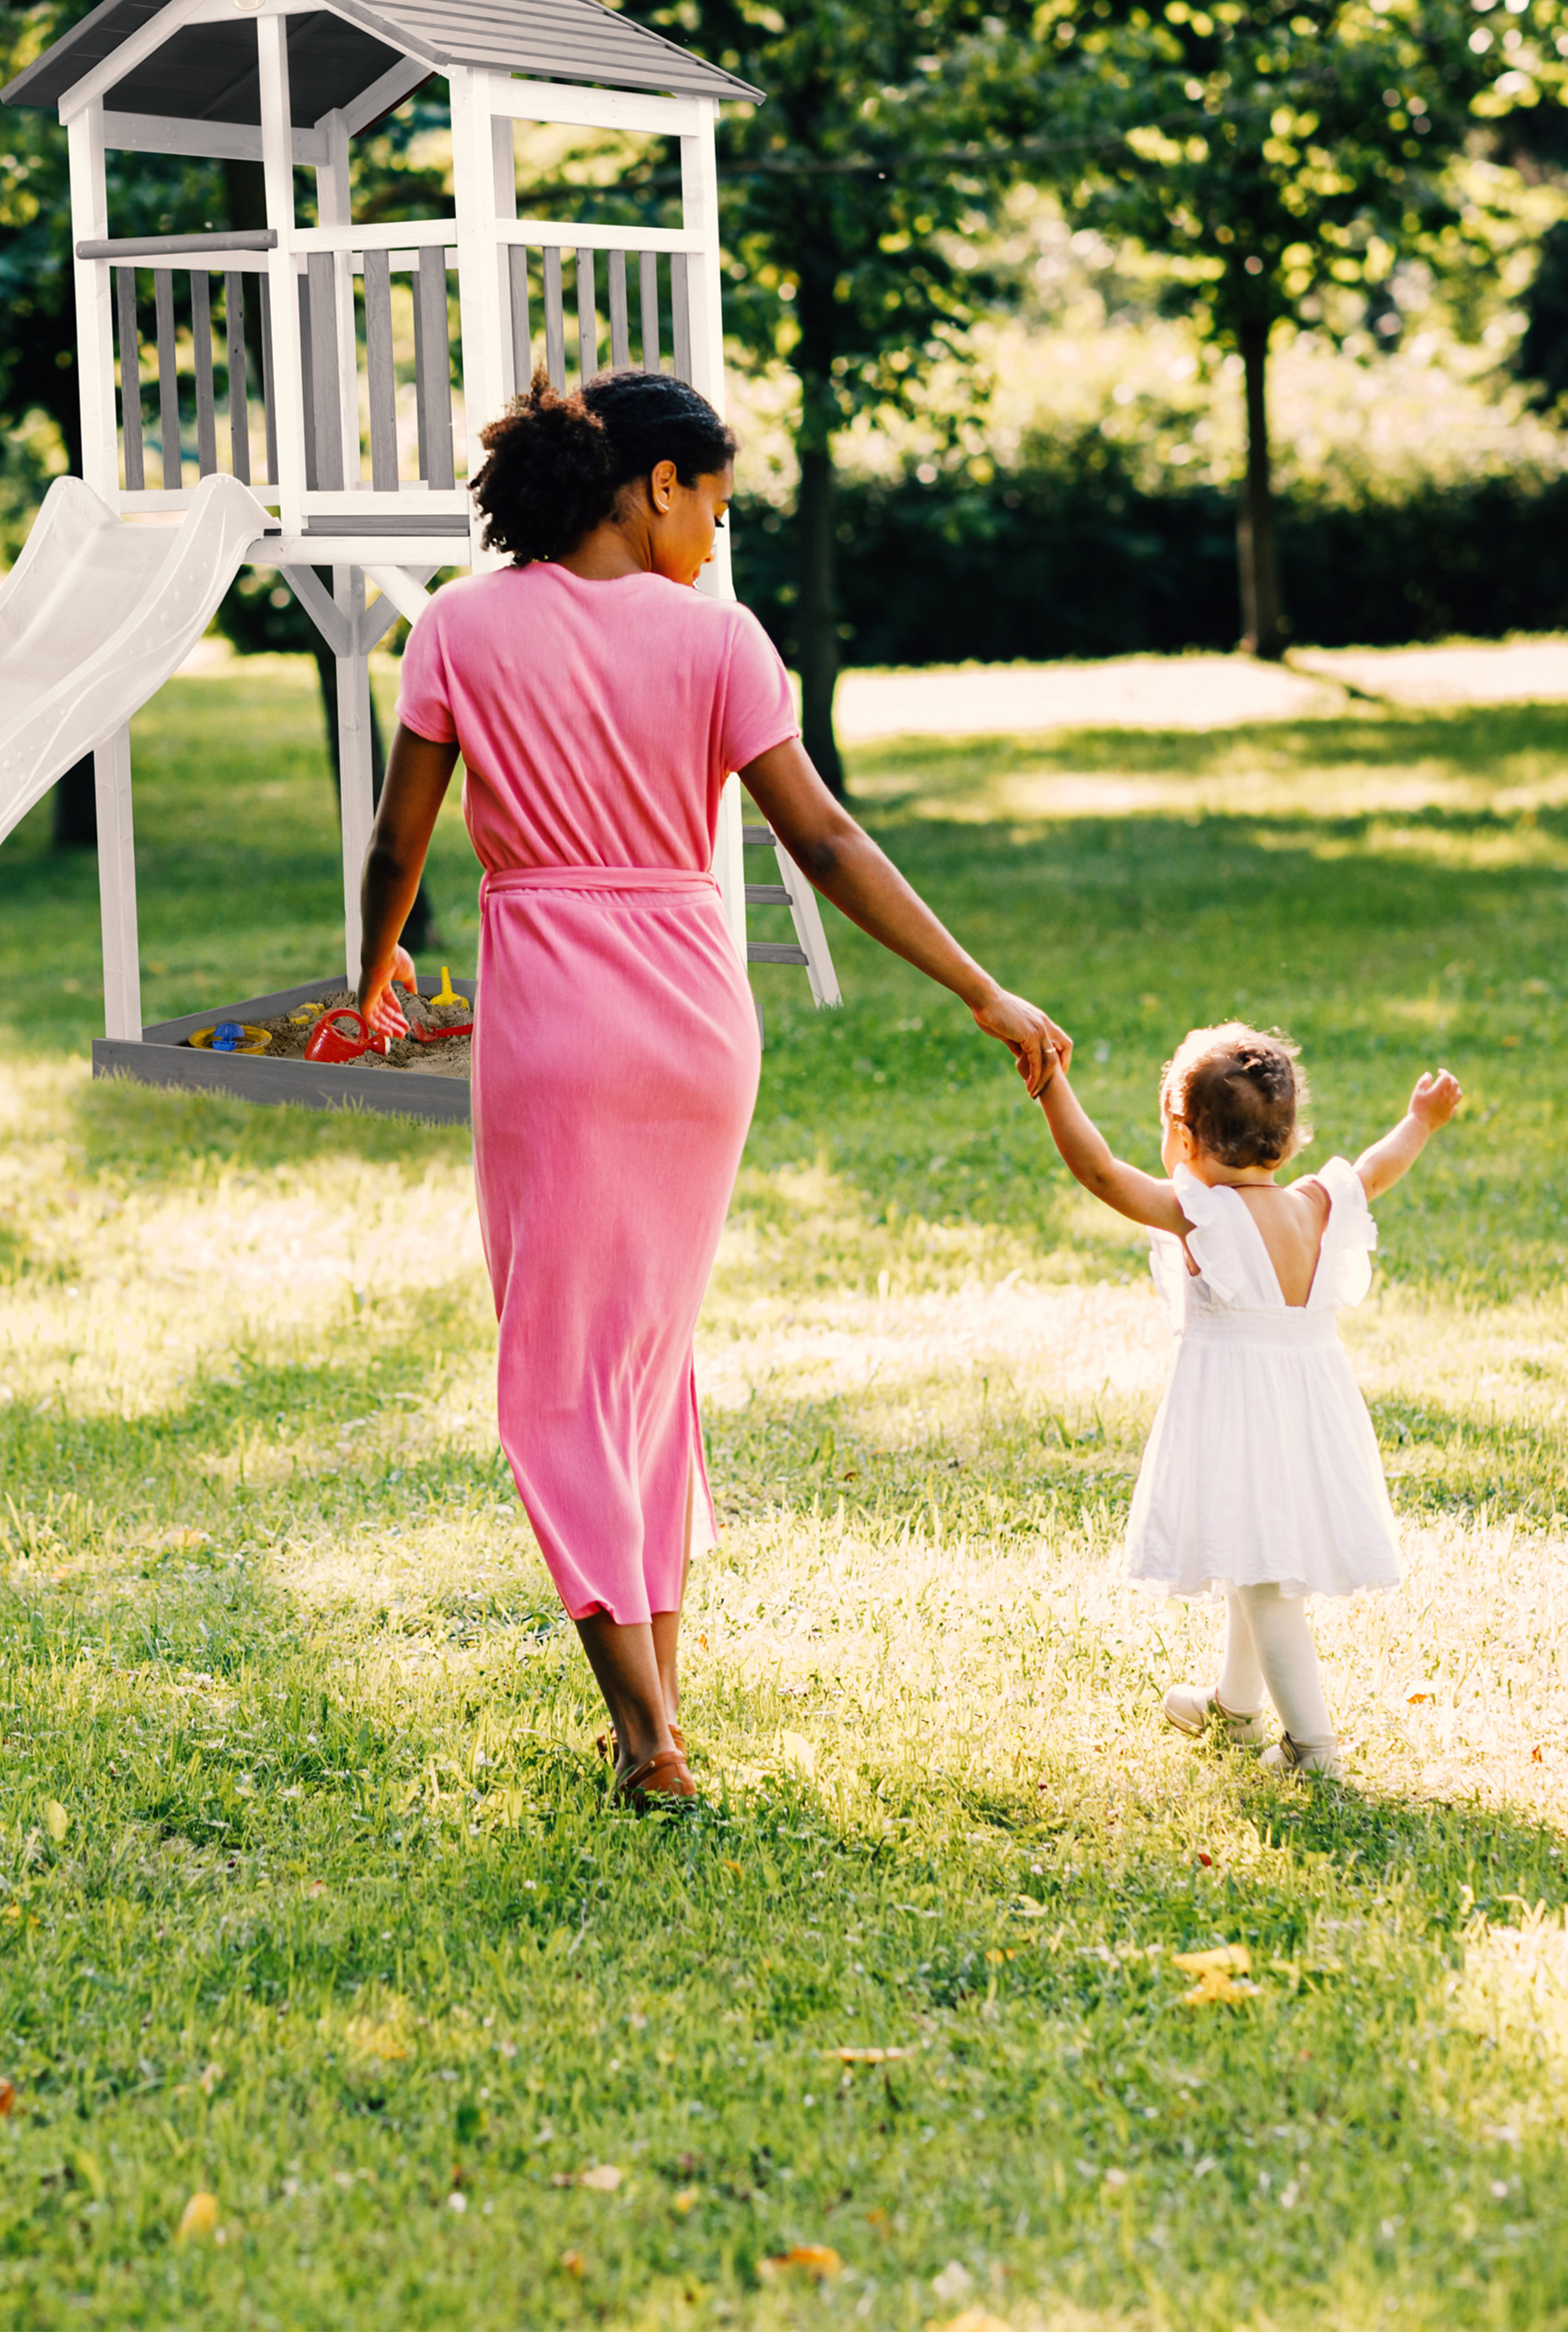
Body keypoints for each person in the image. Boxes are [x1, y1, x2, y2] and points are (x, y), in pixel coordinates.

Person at [350, 370, 1071, 1810]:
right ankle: (660, 1708)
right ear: (656, 484)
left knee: (559, 1376)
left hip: (553, 1025)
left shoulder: (457, 627)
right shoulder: (721, 642)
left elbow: (398, 844)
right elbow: (825, 842)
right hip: (694, 1025)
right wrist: (979, 986)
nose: (717, 539)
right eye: (717, 506)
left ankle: (646, 1738)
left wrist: (369, 977)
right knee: (645, 1366)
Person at [1029, 1024, 1464, 1778]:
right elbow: (1376, 1166)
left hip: (1241, 1416)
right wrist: (1420, 1121)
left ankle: (1312, 1748)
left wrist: (1050, 1085)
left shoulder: (1202, 1216)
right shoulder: (1318, 1204)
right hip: (1309, 1413)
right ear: (1289, 1140)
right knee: (1249, 1553)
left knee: (1264, 1582)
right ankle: (1234, 1707)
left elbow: (1100, 1172)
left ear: (1184, 1136)